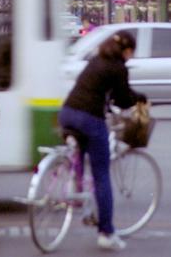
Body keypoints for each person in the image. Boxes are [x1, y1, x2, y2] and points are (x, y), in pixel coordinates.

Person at [58, 30, 147, 252]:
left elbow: (96, 91)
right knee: (101, 174)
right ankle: (106, 233)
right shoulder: (118, 67)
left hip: (68, 112)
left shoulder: (96, 59)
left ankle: (79, 197)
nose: (130, 57)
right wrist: (140, 98)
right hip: (89, 117)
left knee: (81, 151)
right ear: (126, 51)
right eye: (131, 53)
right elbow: (124, 99)